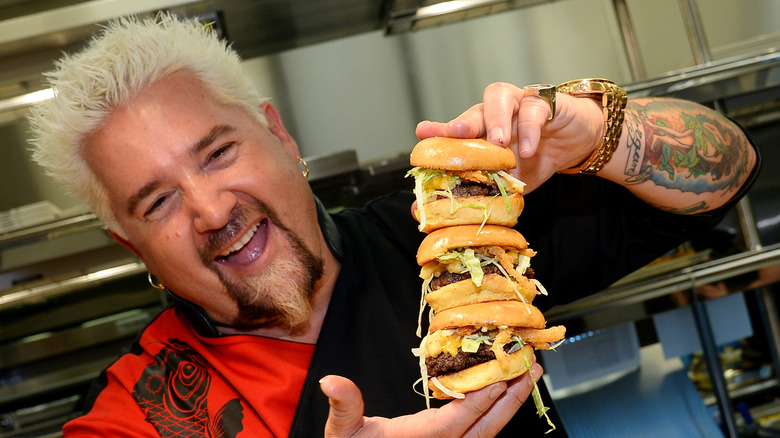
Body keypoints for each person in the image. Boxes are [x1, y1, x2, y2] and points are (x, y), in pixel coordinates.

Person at [27, 13, 759, 438]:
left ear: (279, 136)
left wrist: (598, 134)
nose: (212, 211)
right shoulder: (141, 410)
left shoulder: (451, 238)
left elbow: (729, 168)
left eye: (218, 153)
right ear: (132, 246)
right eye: (157, 202)